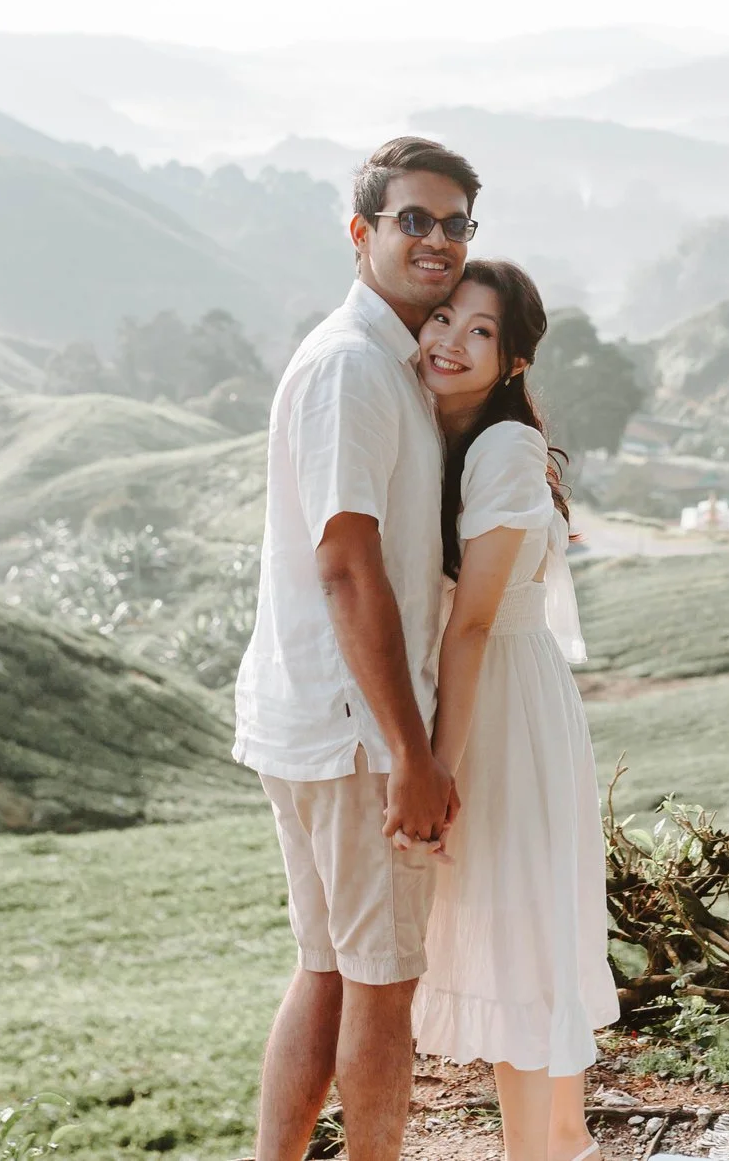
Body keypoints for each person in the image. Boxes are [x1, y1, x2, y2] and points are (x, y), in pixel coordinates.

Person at [237, 135, 482, 1161]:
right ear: (361, 233)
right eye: (411, 219)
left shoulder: (386, 360)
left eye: (454, 223)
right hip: (351, 731)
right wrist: (408, 750)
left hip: (313, 715)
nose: (435, 240)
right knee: (382, 982)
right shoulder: (352, 370)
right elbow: (347, 564)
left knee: (330, 965)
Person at [410, 259, 619, 1161]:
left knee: (523, 941)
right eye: (444, 317)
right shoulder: (449, 436)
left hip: (500, 703)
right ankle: (560, 1144)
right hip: (500, 695)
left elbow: (472, 624)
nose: (453, 340)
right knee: (526, 938)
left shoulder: (500, 448)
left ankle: (536, 1151)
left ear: (514, 362)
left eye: (482, 331)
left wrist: (437, 775)